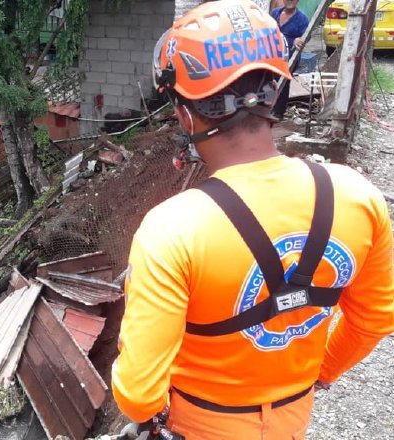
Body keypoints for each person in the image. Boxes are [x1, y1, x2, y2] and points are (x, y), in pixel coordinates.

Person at [112, 1, 394, 439]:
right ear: (276, 90)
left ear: (185, 113)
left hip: (199, 424)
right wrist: (318, 374)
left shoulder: (172, 230)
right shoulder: (359, 196)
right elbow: (375, 318)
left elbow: (138, 395)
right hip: (292, 416)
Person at [271, 0, 310, 120]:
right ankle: (266, 109)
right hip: (271, 57)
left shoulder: (302, 18)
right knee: (268, 82)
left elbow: (306, 36)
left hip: (289, 58)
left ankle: (278, 113)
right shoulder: (274, 14)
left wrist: (298, 39)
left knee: (283, 84)